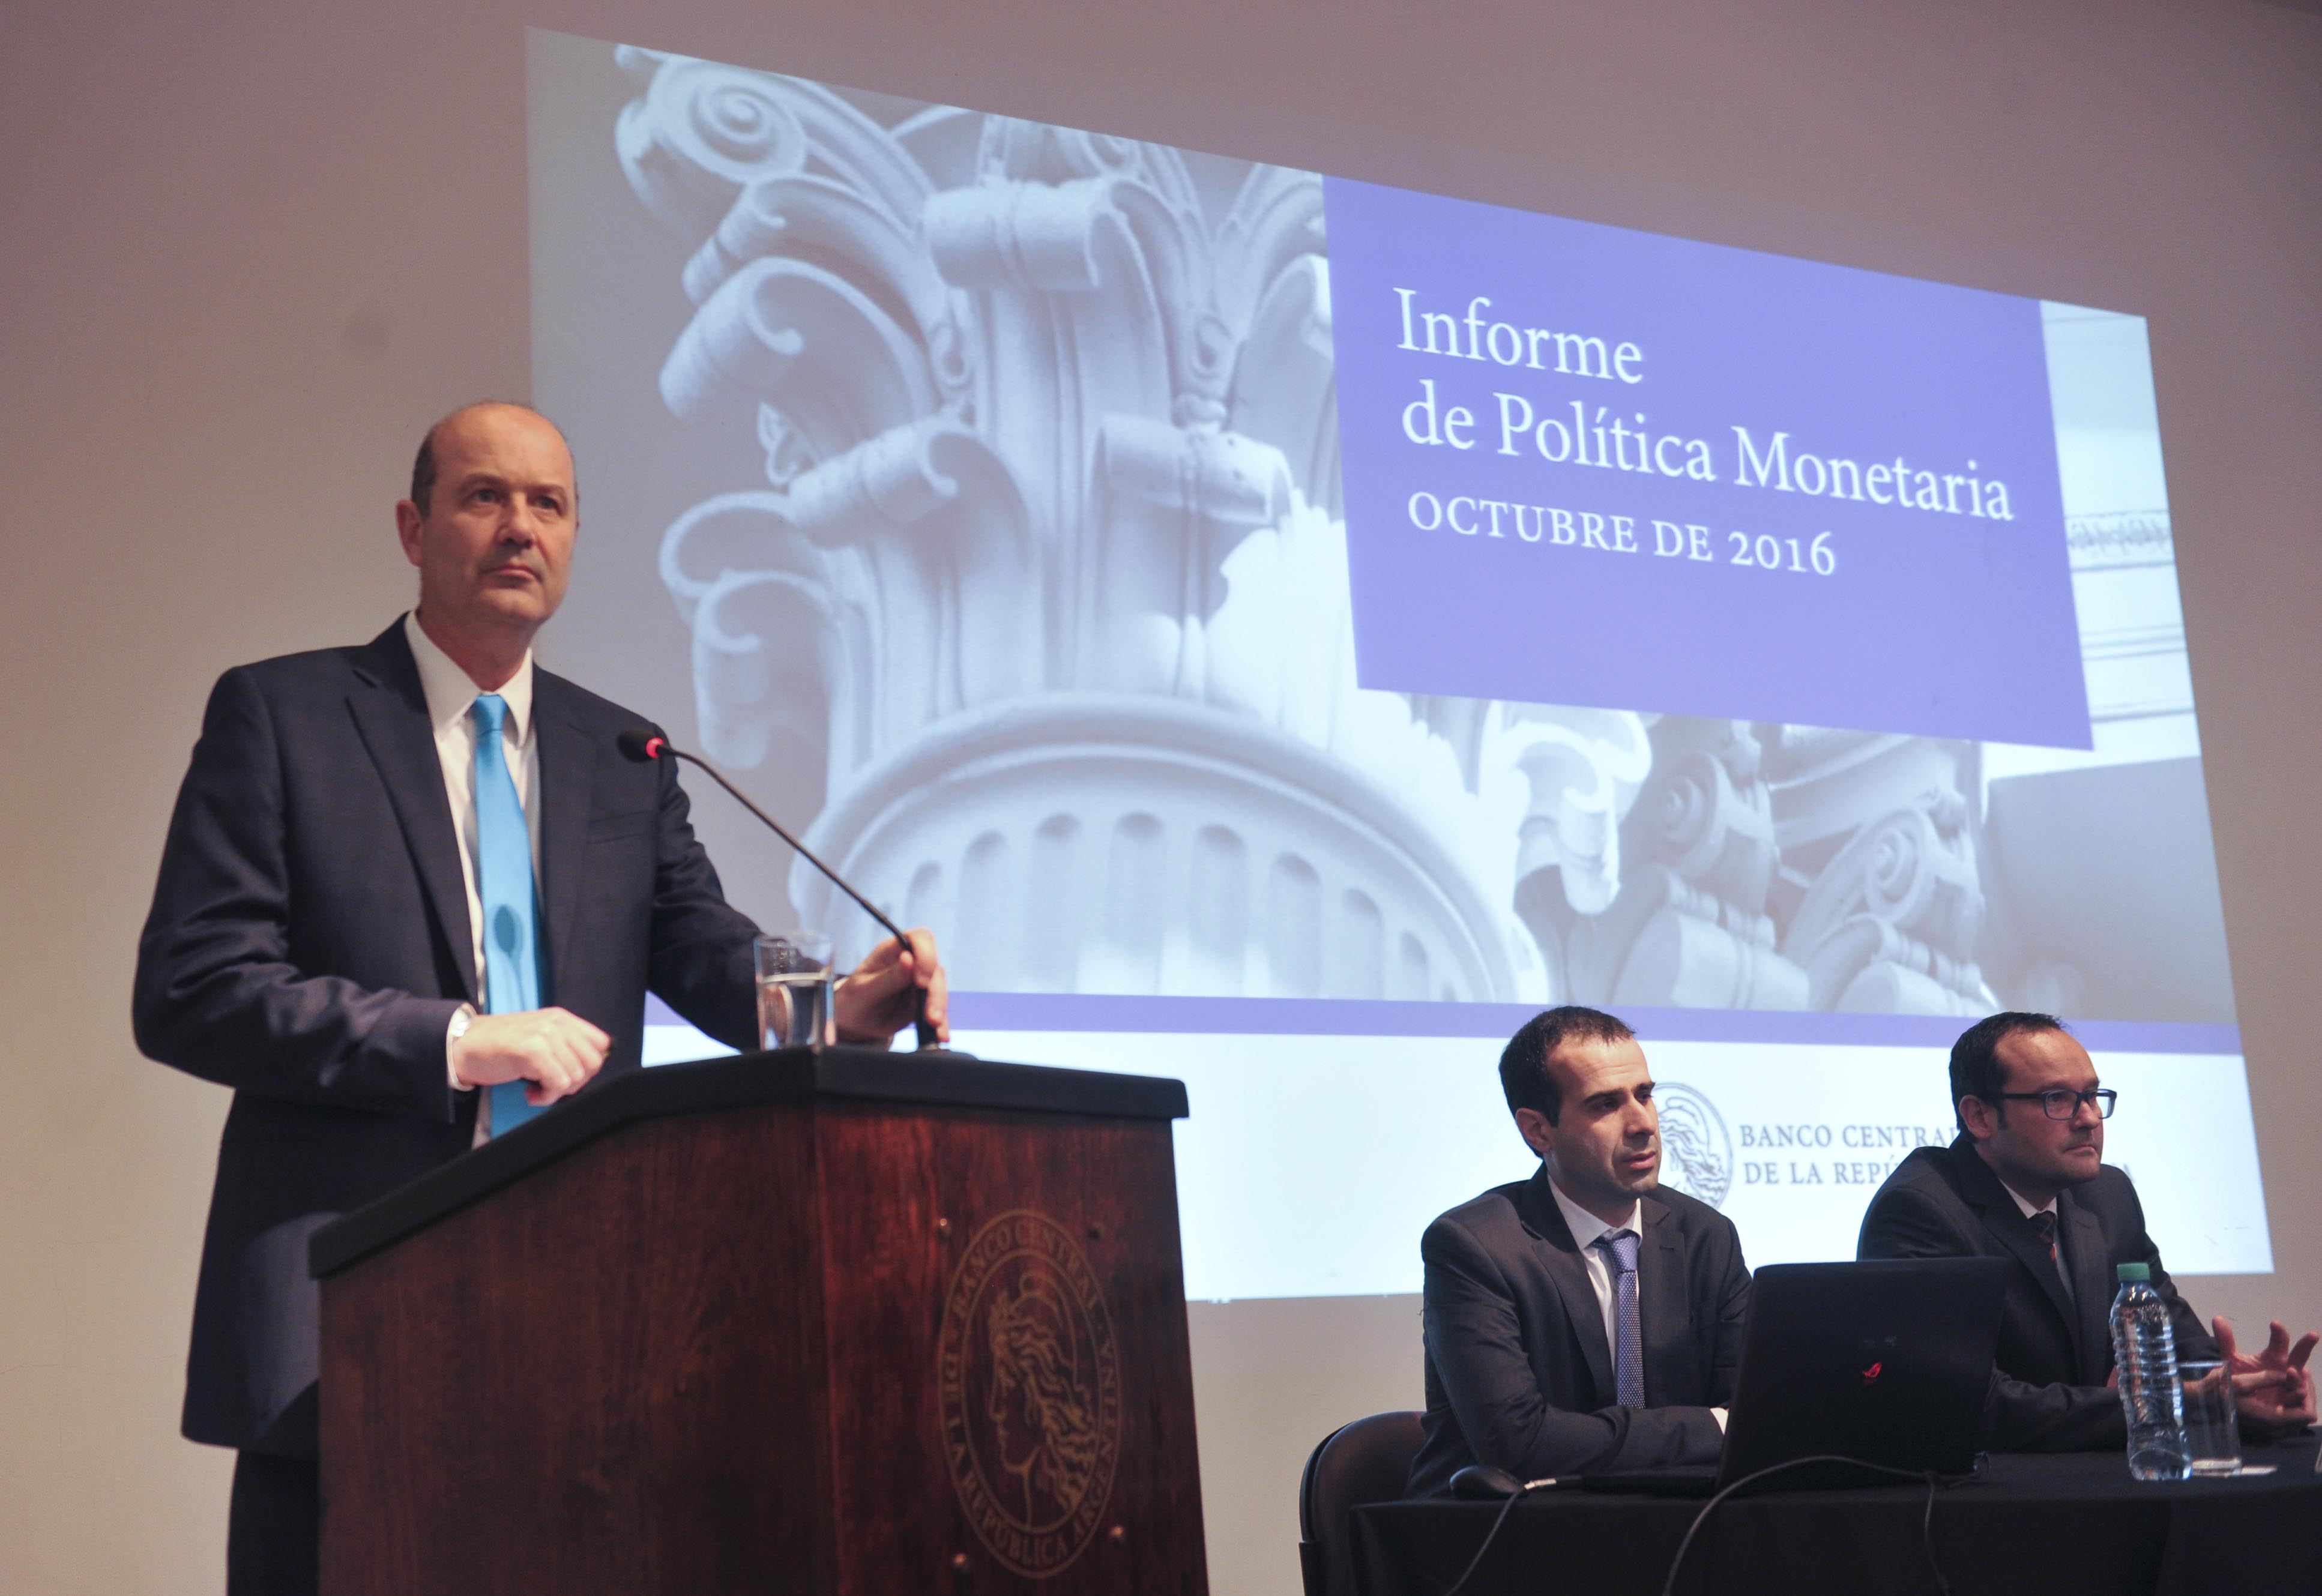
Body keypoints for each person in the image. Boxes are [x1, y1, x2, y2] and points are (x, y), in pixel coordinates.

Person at [132, 402, 949, 1596]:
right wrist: (455, 1041)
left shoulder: (625, 752)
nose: (520, 527)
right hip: (350, 1310)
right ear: (414, 528)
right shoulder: (285, 717)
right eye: (484, 497)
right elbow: (194, 989)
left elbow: (712, 958)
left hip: (582, 1319)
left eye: (549, 504)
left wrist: (849, 1008)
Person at [1857, 1011, 2315, 1451]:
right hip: (1990, 1505)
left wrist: (2233, 1386)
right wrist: (2161, 1404)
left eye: (2093, 1096)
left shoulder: (2109, 1194)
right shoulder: (1921, 1209)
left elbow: (2169, 1328)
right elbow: (1971, 1403)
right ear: (1979, 1116)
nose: (2090, 1118)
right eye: (2057, 1098)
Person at [1405, 1006, 1748, 1496]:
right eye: (1605, 1104)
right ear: (1538, 1130)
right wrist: (1711, 1426)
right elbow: (1520, 1444)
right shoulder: (1473, 1247)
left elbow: (1755, 1420)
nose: (1642, 1123)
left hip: (1670, 1530)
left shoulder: (1706, 1235)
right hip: (1500, 1541)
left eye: (1645, 1095)